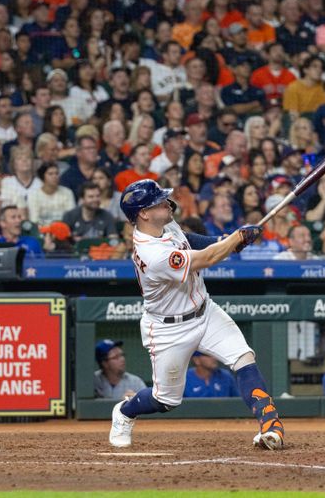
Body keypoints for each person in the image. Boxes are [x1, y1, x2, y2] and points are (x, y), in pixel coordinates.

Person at [110, 179, 285, 450]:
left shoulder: (164, 224)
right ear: (143, 213)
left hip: (205, 311)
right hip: (169, 329)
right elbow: (205, 260)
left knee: (243, 357)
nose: (168, 204)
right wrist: (235, 239)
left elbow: (187, 240)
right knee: (165, 400)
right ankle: (125, 411)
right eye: (159, 202)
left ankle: (270, 426)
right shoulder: (150, 253)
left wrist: (225, 241)